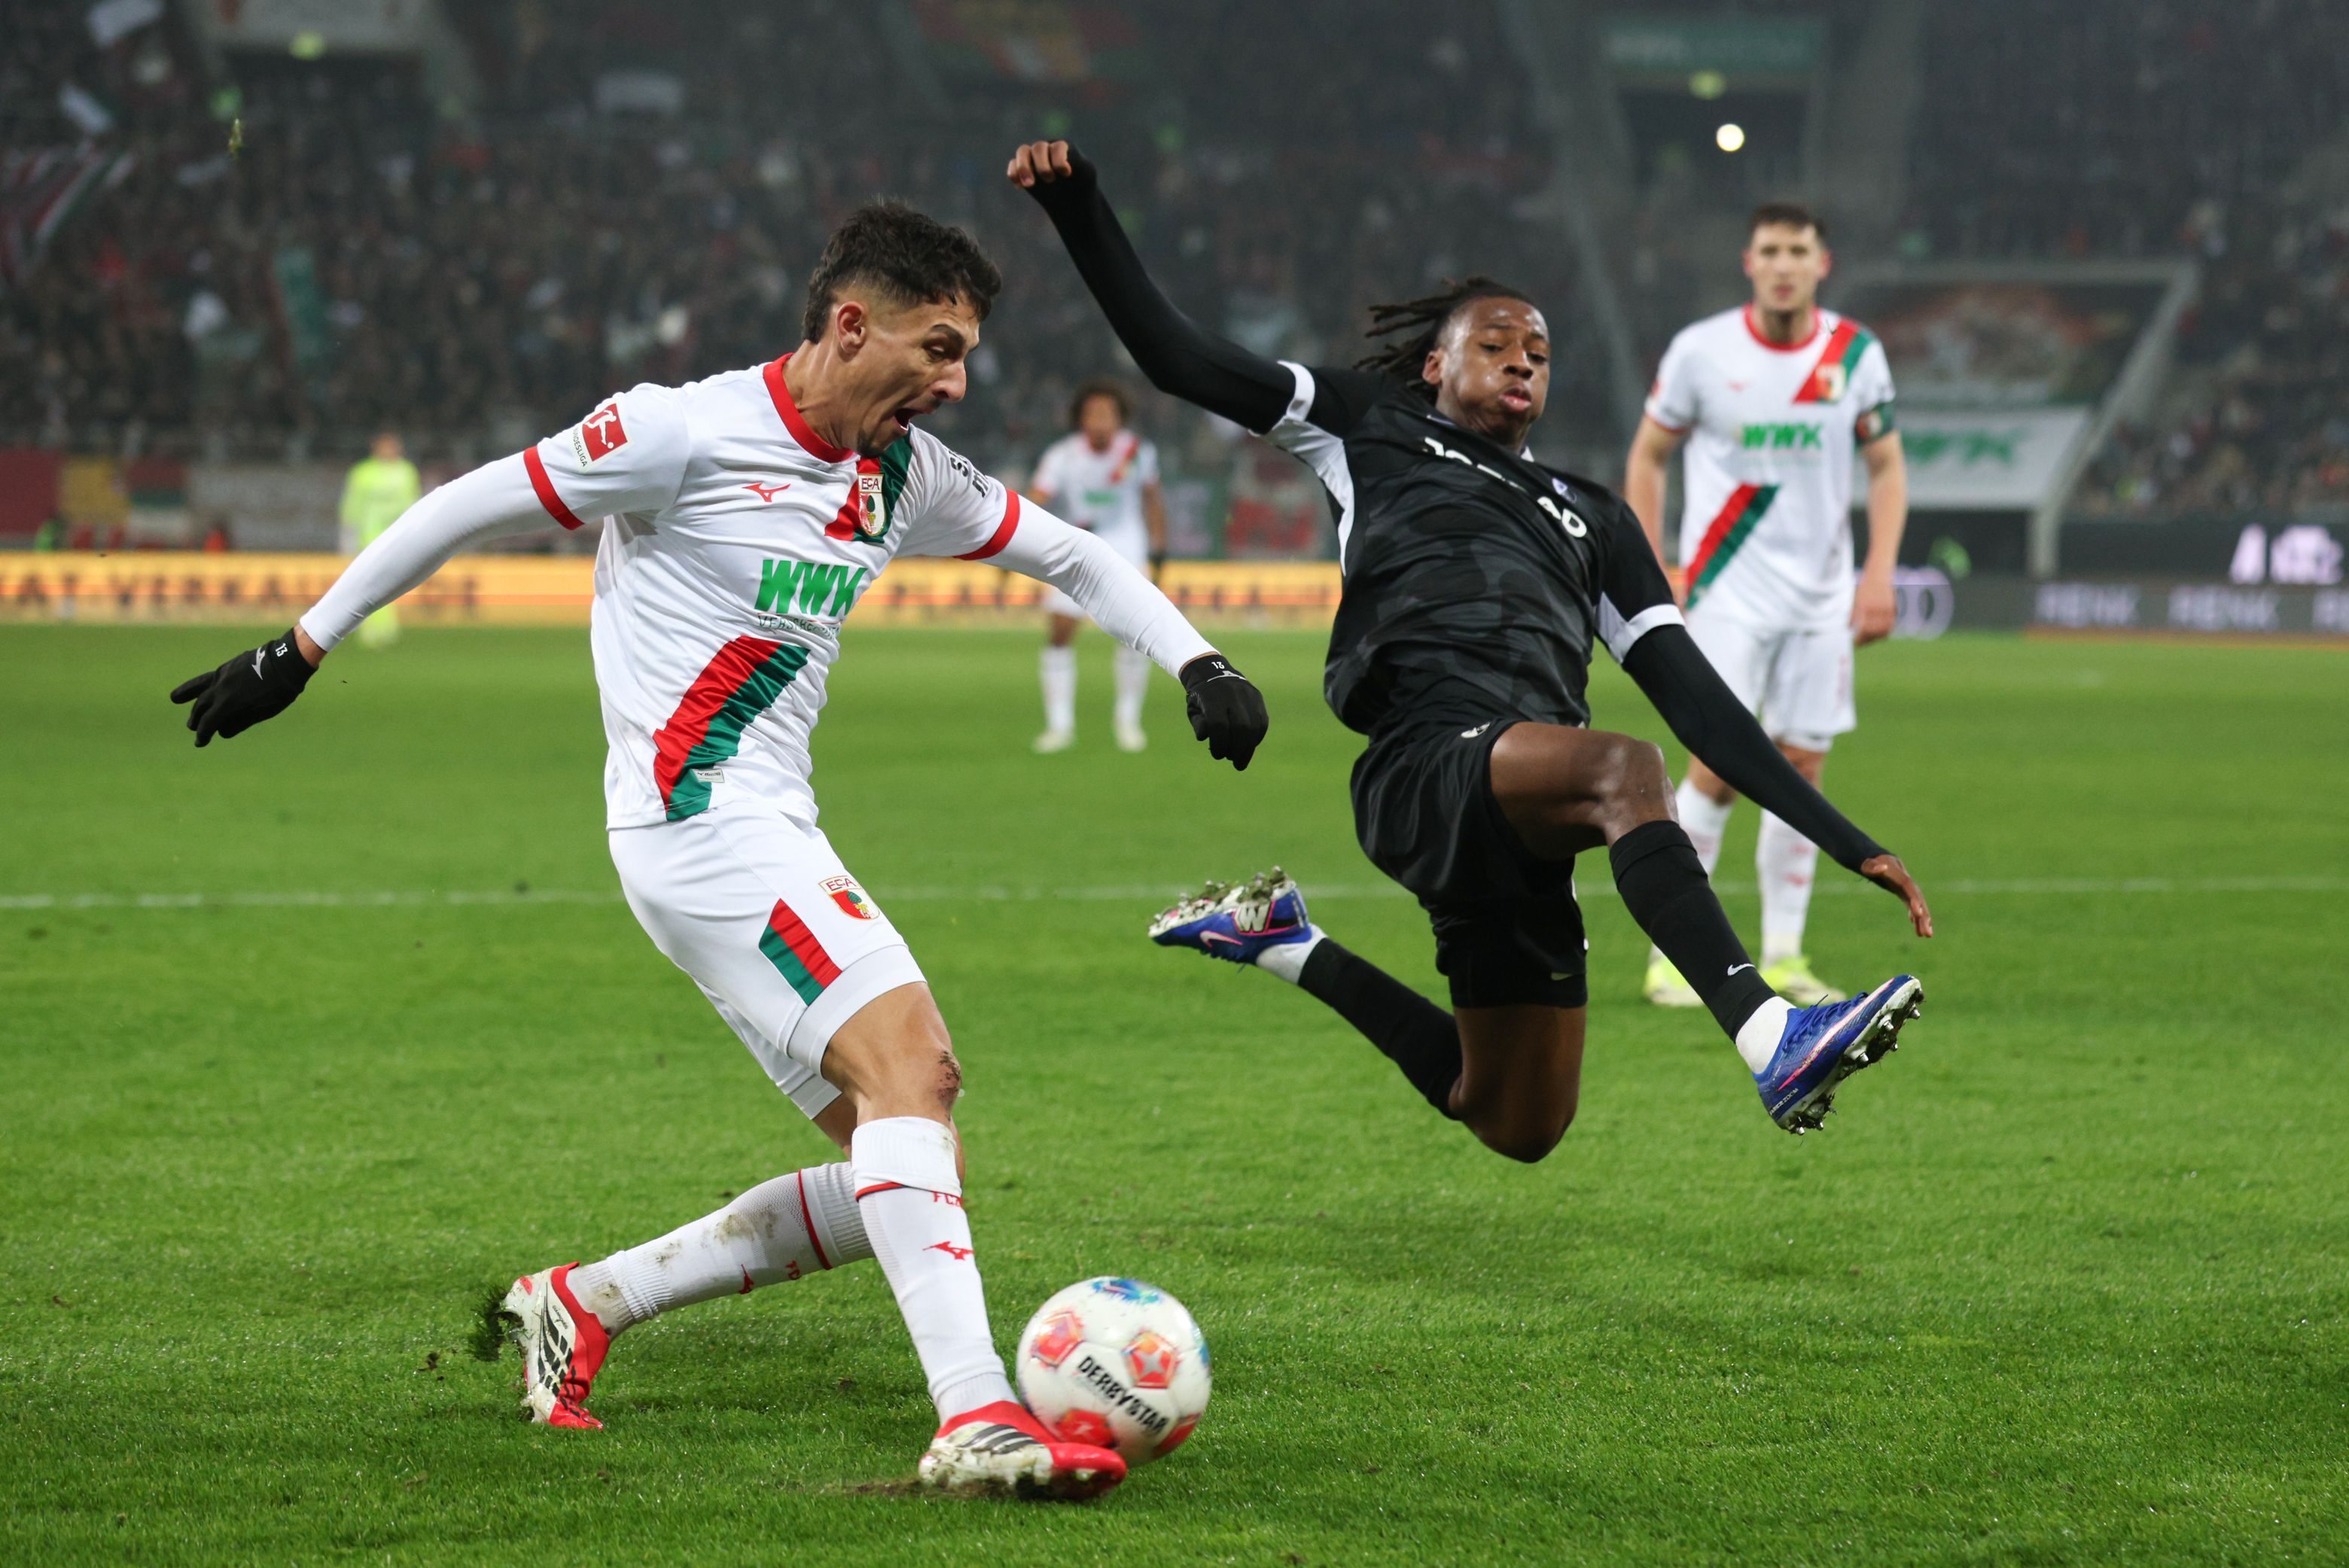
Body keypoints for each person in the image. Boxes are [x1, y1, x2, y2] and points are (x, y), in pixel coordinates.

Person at [166, 200, 1267, 1499]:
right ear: (851, 325)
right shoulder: (678, 431)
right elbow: (466, 506)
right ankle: (976, 1415)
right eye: (938, 347)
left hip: (761, 825)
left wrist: (1198, 658)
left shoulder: (902, 474)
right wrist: (300, 646)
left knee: (908, 1147)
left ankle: (586, 1299)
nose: (958, 381)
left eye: (965, 354)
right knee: (915, 1066)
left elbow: (1074, 553)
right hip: (700, 824)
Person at [1008, 140, 1930, 1162]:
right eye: (1495, 344)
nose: (1522, 359)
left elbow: (1701, 704)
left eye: (1538, 351)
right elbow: (1176, 356)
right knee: (1626, 768)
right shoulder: (1367, 427)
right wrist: (1082, 211)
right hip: (1424, 763)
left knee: (1515, 1119)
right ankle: (1771, 1032)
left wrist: (1847, 839)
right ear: (1436, 364)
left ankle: (1287, 941)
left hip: (1525, 808)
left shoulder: (1596, 517)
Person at [1622, 205, 1909, 1008]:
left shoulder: (1855, 354)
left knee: (1803, 770)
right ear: (1750, 262)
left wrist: (1879, 572)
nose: (1785, 265)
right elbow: (1648, 456)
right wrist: (1649, 564)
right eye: (1772, 251)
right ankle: (1672, 958)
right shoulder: (1701, 351)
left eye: (1798, 251)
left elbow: (1887, 467)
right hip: (1728, 594)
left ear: (1823, 263)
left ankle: (1784, 955)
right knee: (1716, 769)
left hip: (1821, 599)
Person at [1024, 379, 1168, 753]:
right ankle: (1059, 726)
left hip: (1126, 543)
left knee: (1135, 634)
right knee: (1060, 631)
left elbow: (1152, 499)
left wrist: (1159, 548)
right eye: (1093, 413)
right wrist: (1013, 535)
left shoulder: (1136, 452)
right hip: (1078, 544)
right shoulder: (1062, 455)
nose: (1101, 421)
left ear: (1120, 419)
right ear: (1080, 419)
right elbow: (1038, 497)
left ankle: (1128, 722)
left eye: (1108, 414)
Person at [337, 431, 424, 647]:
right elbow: (352, 502)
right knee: (367, 582)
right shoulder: (363, 472)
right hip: (369, 535)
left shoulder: (406, 471)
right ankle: (370, 628)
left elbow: (414, 502)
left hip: (397, 534)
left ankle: (385, 628)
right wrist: (348, 531)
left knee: (389, 582)